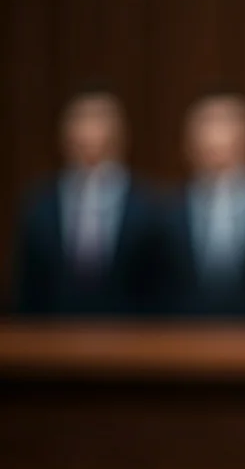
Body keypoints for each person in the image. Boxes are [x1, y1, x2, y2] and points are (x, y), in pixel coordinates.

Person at [14, 85, 165, 316]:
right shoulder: (40, 205)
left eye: (100, 119)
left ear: (121, 132)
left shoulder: (149, 208)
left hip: (132, 338)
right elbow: (27, 290)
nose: (91, 131)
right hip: (52, 336)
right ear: (64, 132)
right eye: (82, 119)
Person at [162, 89, 245, 317]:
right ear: (186, 141)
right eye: (207, 123)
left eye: (230, 122)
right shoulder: (164, 219)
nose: (218, 135)